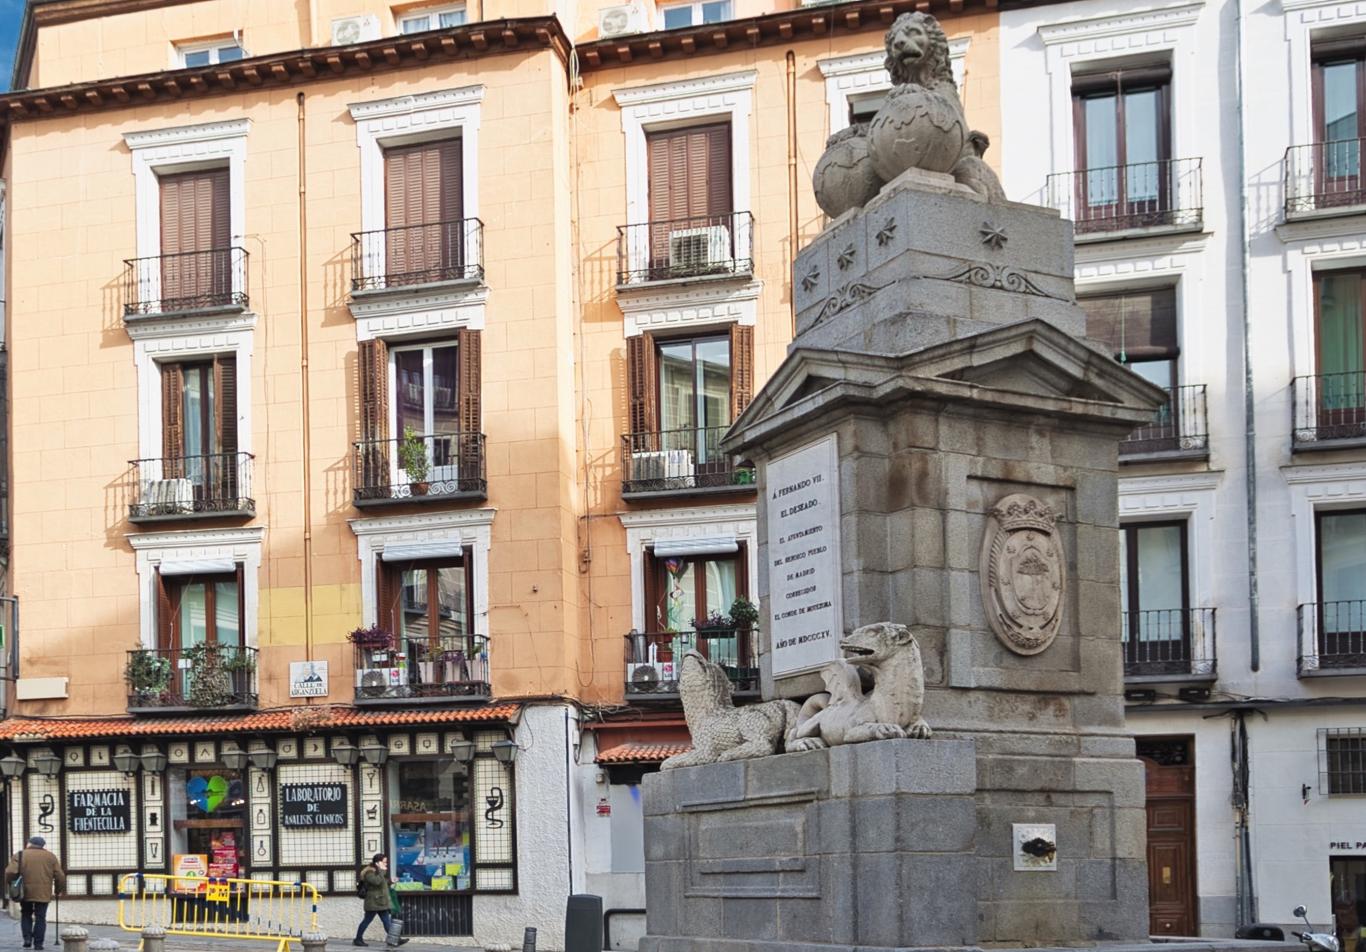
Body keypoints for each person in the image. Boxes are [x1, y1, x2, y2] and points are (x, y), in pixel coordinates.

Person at [4, 836, 66, 950]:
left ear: (29, 844)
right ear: (42, 846)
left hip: (25, 891)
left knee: (26, 914)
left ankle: (27, 939)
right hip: (43, 892)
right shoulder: (50, 856)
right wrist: (58, 890)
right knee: (40, 917)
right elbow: (60, 876)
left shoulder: (20, 855)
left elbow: (9, 871)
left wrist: (12, 885)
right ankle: (38, 944)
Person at [354, 853, 406, 947]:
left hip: (381, 902)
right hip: (373, 902)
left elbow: (382, 883)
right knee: (366, 921)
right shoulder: (369, 872)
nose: (386, 864)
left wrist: (390, 881)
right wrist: (382, 871)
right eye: (384, 862)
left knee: (386, 921)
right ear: (378, 863)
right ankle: (358, 939)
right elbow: (376, 882)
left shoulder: (378, 871)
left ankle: (395, 940)